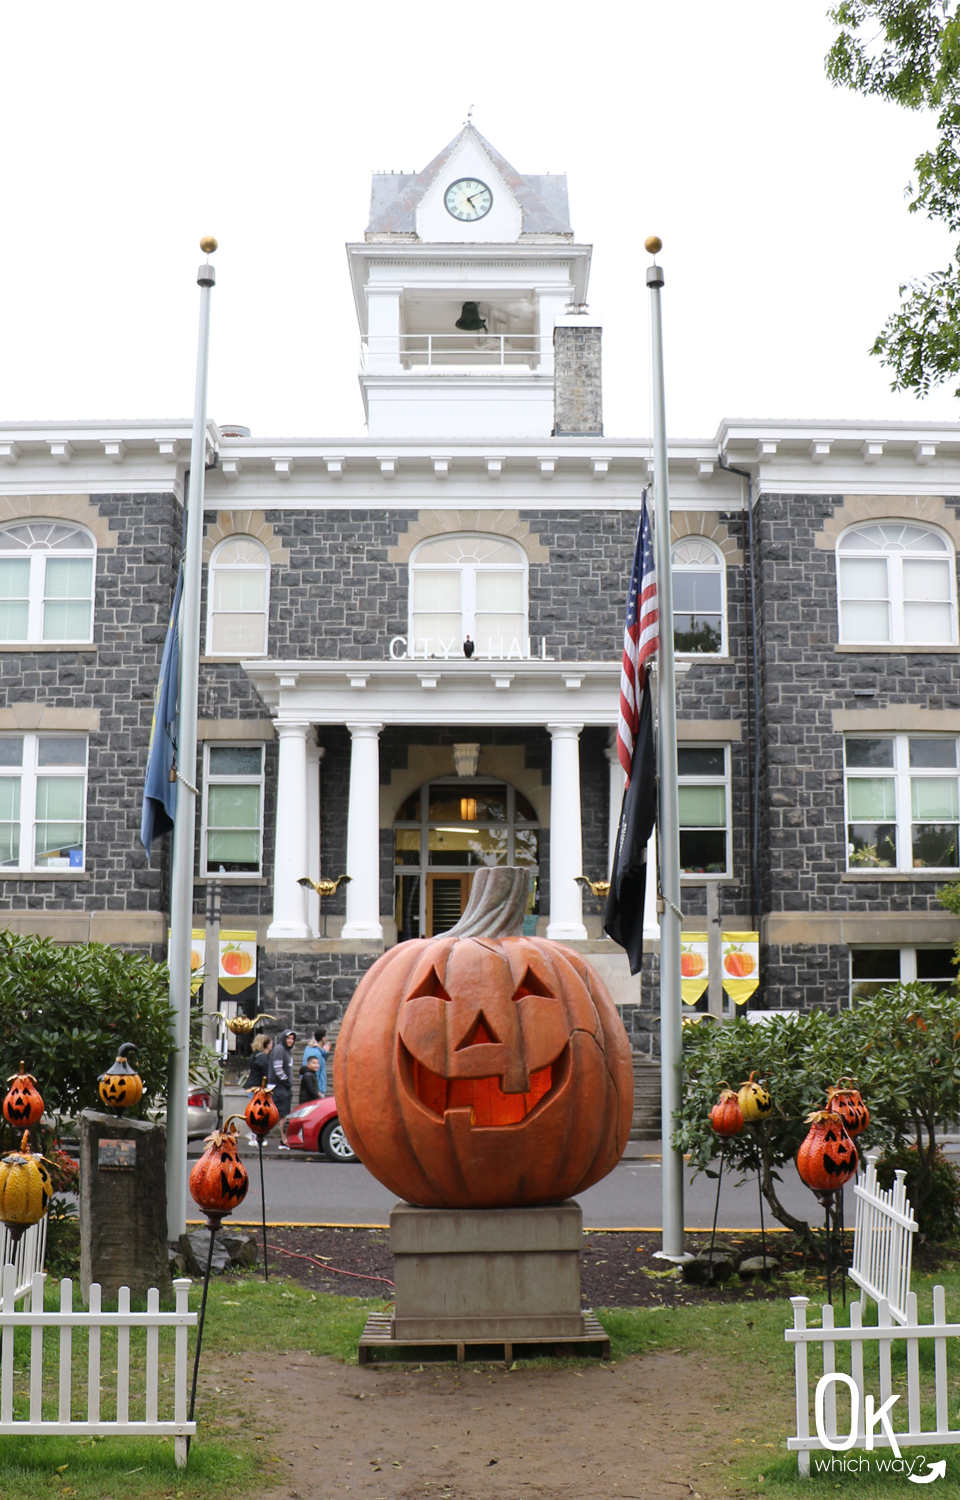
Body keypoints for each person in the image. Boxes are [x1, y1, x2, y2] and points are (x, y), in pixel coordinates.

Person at [243, 1035, 274, 1146]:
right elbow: (268, 1073)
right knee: (259, 1113)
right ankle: (255, 1137)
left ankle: (254, 1135)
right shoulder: (263, 1058)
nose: (272, 1045)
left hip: (251, 1086)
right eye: (270, 1043)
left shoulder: (255, 1055)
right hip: (257, 1088)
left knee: (255, 1111)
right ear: (266, 1044)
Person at [270, 1029, 296, 1148]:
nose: (290, 1041)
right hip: (279, 1087)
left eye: (292, 1038)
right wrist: (286, 1080)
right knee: (281, 1114)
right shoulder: (280, 1050)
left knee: (283, 1115)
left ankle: (283, 1139)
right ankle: (283, 1140)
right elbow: (278, 1068)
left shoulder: (286, 1051)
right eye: (288, 1038)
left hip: (284, 1087)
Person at [301, 1027, 331, 1095]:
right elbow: (315, 1072)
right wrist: (317, 1090)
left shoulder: (309, 1048)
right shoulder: (316, 1053)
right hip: (316, 1089)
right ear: (323, 1038)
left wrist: (325, 1052)